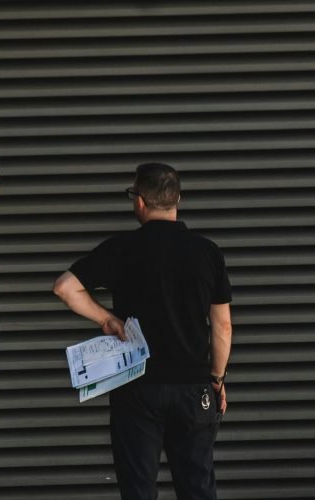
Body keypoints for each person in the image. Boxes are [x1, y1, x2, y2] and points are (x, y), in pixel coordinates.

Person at [53, 162, 233, 500]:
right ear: (176, 198)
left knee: (138, 488)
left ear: (139, 201)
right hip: (194, 388)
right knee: (197, 487)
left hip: (137, 387)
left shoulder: (122, 248)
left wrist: (105, 319)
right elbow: (222, 326)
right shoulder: (207, 252)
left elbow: (65, 287)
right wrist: (217, 379)